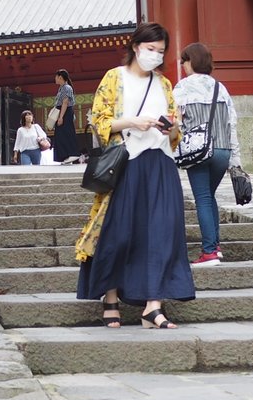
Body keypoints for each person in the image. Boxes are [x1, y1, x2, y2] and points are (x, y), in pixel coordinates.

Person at [75, 22, 195, 329]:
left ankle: (153, 305)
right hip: (128, 163)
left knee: (162, 233)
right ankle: (110, 297)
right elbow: (99, 121)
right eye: (150, 49)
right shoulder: (115, 78)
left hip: (161, 163)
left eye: (161, 51)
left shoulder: (164, 84)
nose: (155, 55)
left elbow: (175, 126)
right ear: (135, 46)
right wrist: (131, 121)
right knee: (120, 233)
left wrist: (172, 127)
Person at [175, 42, 243, 265]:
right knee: (209, 196)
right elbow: (231, 123)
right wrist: (235, 160)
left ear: (190, 62)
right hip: (222, 150)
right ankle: (216, 245)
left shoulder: (182, 88)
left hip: (198, 150)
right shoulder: (219, 88)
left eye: (184, 61)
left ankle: (209, 252)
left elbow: (176, 122)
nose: (182, 65)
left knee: (203, 198)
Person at [50, 69, 81, 164]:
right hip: (62, 111)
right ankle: (66, 155)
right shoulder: (62, 88)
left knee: (67, 133)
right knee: (61, 135)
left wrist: (61, 117)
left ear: (60, 77)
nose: (55, 79)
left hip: (65, 112)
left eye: (56, 77)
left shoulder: (66, 88)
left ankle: (73, 153)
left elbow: (65, 102)